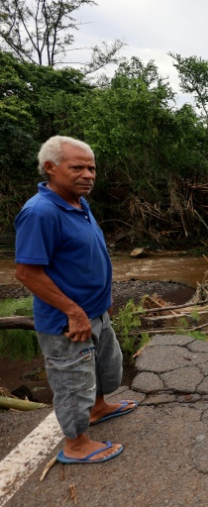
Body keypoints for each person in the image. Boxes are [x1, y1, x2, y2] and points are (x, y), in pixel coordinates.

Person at [15, 136, 137, 464]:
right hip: (67, 321)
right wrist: (73, 310)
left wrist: (104, 296)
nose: (88, 174)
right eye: (78, 167)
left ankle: (98, 408)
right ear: (51, 168)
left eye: (92, 168)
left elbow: (88, 255)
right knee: (73, 382)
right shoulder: (40, 212)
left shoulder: (79, 204)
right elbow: (26, 273)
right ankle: (76, 445)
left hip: (95, 311)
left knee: (104, 368)